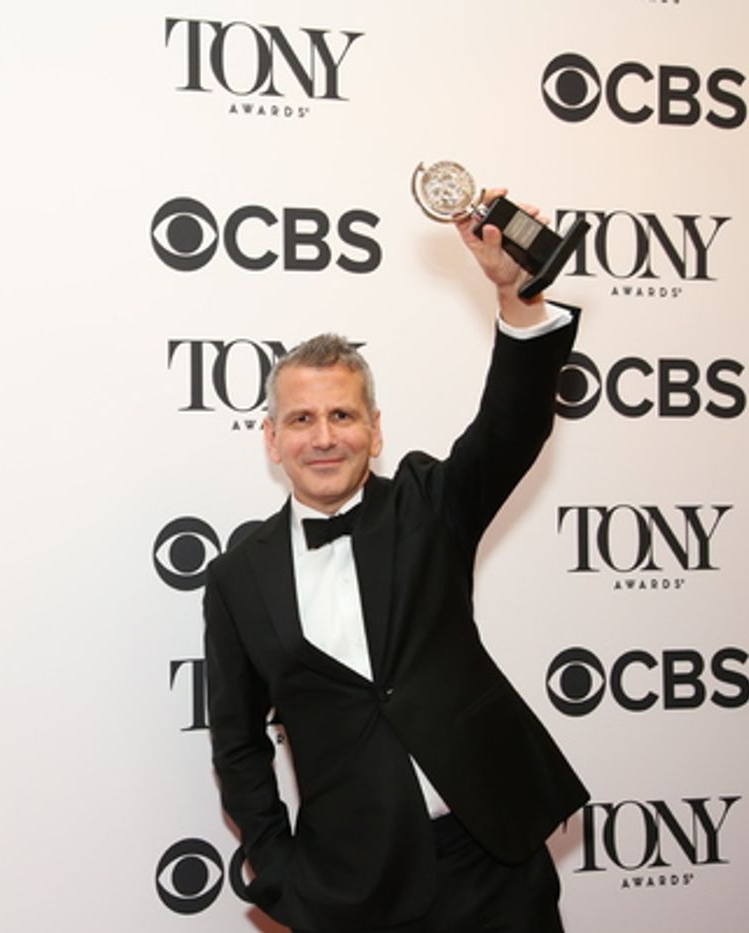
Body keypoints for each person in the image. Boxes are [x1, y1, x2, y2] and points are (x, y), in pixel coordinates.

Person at [202, 189, 588, 933]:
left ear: (375, 432)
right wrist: (277, 867)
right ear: (272, 439)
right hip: (354, 886)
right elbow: (238, 741)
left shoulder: (428, 505)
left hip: (491, 862)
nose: (323, 437)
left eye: (342, 415)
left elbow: (510, 426)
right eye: (301, 418)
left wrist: (517, 297)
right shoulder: (236, 576)